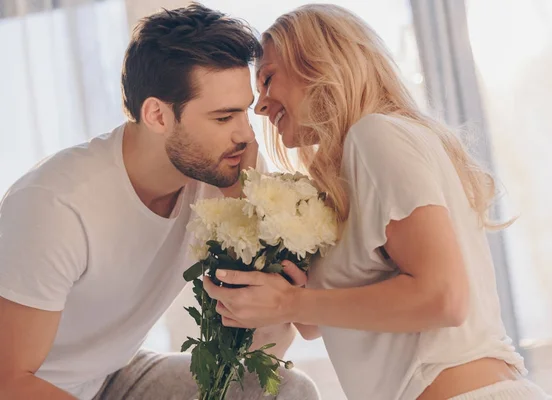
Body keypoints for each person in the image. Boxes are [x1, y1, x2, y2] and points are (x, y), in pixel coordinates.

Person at [203, 4, 552, 400]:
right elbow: (319, 324)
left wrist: (292, 301)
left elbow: (444, 299)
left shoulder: (376, 136)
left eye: (267, 79)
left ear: (319, 62)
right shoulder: (355, 168)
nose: (260, 105)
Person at [0, 4, 319, 400]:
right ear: (157, 115)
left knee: (287, 391)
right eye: (223, 118)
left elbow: (297, 332)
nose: (245, 135)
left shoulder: (222, 169)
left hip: (114, 376)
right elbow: (10, 381)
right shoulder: (55, 207)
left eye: (244, 113)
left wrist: (245, 203)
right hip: (39, 388)